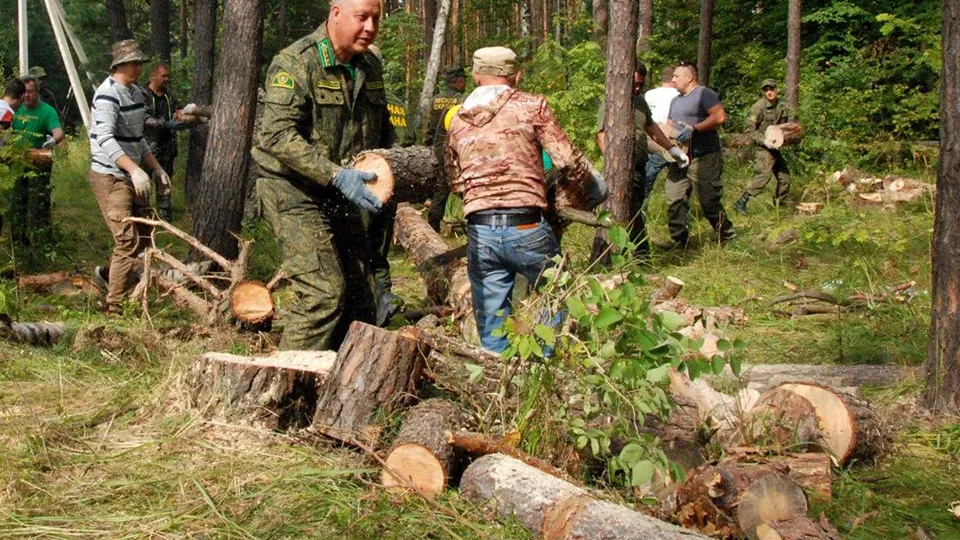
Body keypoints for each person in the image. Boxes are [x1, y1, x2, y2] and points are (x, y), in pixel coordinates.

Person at [252, 0, 395, 350]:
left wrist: (394, 166)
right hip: (293, 190)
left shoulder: (369, 65)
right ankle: (285, 381)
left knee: (361, 296)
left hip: (340, 192)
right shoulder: (296, 61)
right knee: (323, 294)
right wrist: (335, 175)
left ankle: (346, 377)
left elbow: (382, 128)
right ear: (336, 13)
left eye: (376, 19)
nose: (370, 28)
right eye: (362, 17)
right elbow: (276, 136)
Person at [445, 46, 604, 353]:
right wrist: (572, 196)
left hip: (480, 230)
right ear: (516, 76)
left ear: (476, 76)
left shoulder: (458, 120)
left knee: (491, 323)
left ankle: (497, 373)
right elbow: (567, 160)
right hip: (527, 226)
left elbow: (455, 181)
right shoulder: (533, 106)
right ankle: (543, 364)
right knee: (555, 297)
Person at [88, 40, 171, 315]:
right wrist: (133, 170)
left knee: (145, 234)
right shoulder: (107, 95)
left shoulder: (136, 94)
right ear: (120, 65)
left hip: (132, 174)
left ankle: (108, 274)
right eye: (135, 63)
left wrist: (156, 169)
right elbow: (105, 139)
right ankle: (115, 306)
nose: (139, 68)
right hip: (110, 176)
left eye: (140, 63)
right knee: (126, 240)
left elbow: (138, 138)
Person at [596, 62, 689, 257]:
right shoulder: (611, 101)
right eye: (635, 84)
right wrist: (612, 165)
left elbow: (652, 128)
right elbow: (602, 135)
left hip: (639, 166)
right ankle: (638, 256)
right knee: (629, 212)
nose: (637, 88)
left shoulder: (640, 101)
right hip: (619, 169)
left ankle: (636, 255)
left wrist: (672, 149)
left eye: (641, 85)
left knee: (635, 210)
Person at [662, 62, 735, 249]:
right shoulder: (675, 100)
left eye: (677, 76)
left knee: (708, 201)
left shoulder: (704, 94)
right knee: (674, 197)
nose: (673, 80)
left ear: (690, 77)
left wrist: (694, 129)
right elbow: (669, 125)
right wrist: (669, 147)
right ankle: (680, 241)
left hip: (704, 156)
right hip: (680, 158)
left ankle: (727, 234)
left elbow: (719, 116)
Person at [10, 75, 64, 246]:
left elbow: (58, 131)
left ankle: (43, 240)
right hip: (16, 162)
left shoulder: (47, 111)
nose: (26, 95)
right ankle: (18, 240)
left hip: (39, 162)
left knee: (39, 202)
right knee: (17, 200)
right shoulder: (15, 109)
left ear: (37, 92)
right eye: (24, 92)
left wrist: (54, 140)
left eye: (30, 92)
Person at [733, 79, 794, 214]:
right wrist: (764, 141)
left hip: (775, 147)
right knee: (763, 176)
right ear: (763, 92)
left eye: (772, 89)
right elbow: (749, 130)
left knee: (784, 177)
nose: (769, 92)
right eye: (766, 90)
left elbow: (786, 125)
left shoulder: (781, 106)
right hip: (763, 148)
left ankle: (780, 204)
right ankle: (741, 202)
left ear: (776, 89)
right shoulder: (758, 107)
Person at [143, 62, 194, 222]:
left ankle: (164, 217)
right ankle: (143, 214)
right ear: (154, 75)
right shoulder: (143, 94)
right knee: (144, 182)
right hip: (147, 148)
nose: (166, 79)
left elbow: (178, 110)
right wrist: (164, 124)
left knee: (164, 182)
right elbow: (144, 118)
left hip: (167, 147)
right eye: (163, 76)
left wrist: (183, 117)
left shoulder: (168, 95)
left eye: (168, 76)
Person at [426, 67, 467, 231]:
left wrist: (427, 147)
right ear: (457, 82)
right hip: (457, 149)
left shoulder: (435, 100)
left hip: (438, 149)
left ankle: (433, 225)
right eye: (463, 81)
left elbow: (429, 127)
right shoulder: (464, 100)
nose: (464, 84)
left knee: (441, 188)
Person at [642, 67, 680, 201]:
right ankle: (677, 208)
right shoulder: (678, 95)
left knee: (647, 180)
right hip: (670, 141)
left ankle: (642, 209)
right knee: (678, 182)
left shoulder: (649, 94)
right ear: (673, 79)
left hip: (650, 140)